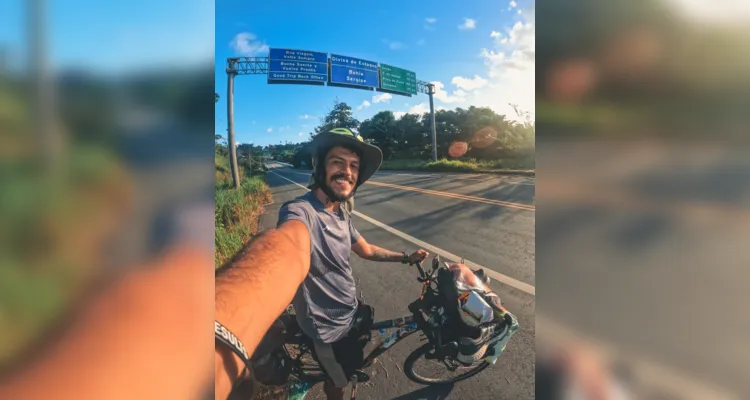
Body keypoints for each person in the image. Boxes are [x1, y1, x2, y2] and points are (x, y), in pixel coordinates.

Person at [215, 128, 428, 400]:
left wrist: (405, 257)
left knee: (358, 355)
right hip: (327, 329)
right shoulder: (301, 211)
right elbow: (286, 245)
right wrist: (223, 323)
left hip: (349, 309)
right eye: (337, 162)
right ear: (320, 167)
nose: (347, 172)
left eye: (354, 166)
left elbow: (366, 249)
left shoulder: (339, 214)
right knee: (339, 382)